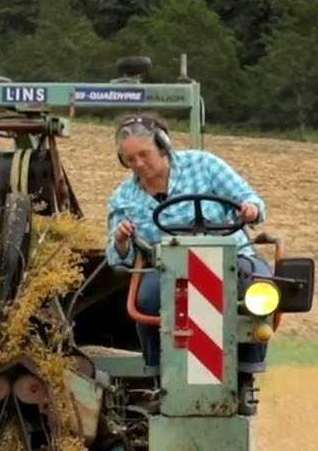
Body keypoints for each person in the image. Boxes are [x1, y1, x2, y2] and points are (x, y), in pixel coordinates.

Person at [104, 113, 274, 377]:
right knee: (146, 301)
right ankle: (158, 374)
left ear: (163, 145)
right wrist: (121, 239)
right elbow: (118, 259)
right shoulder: (123, 198)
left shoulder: (204, 165)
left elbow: (250, 199)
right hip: (168, 268)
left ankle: (246, 371)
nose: (138, 164)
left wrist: (250, 210)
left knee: (260, 290)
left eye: (144, 154)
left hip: (230, 257)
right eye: (129, 159)